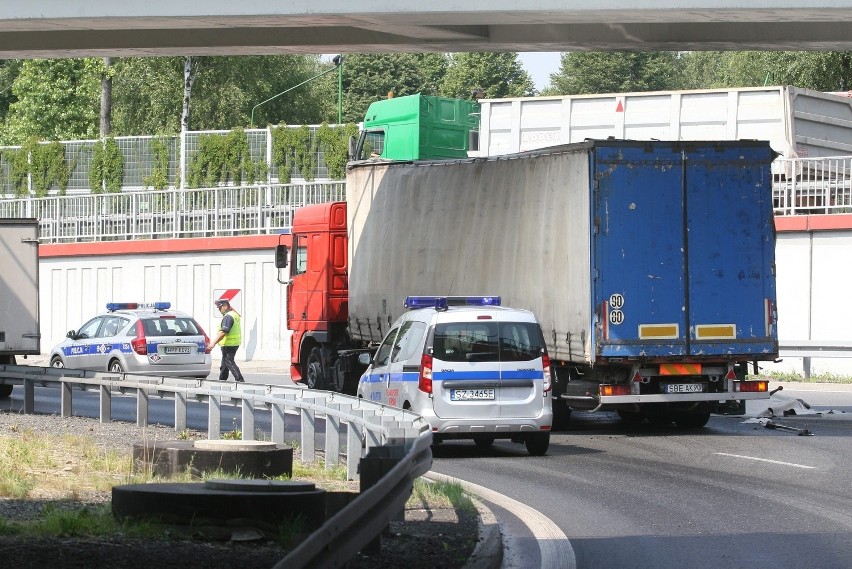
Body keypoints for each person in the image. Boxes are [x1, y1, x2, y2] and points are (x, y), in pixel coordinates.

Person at [207, 298, 245, 382]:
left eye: (219, 307)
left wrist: (212, 343)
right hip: (233, 343)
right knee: (224, 365)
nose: (219, 309)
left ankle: (240, 381)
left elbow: (223, 332)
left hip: (229, 343)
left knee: (229, 362)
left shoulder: (228, 317)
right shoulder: (234, 314)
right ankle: (222, 380)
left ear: (225, 306)